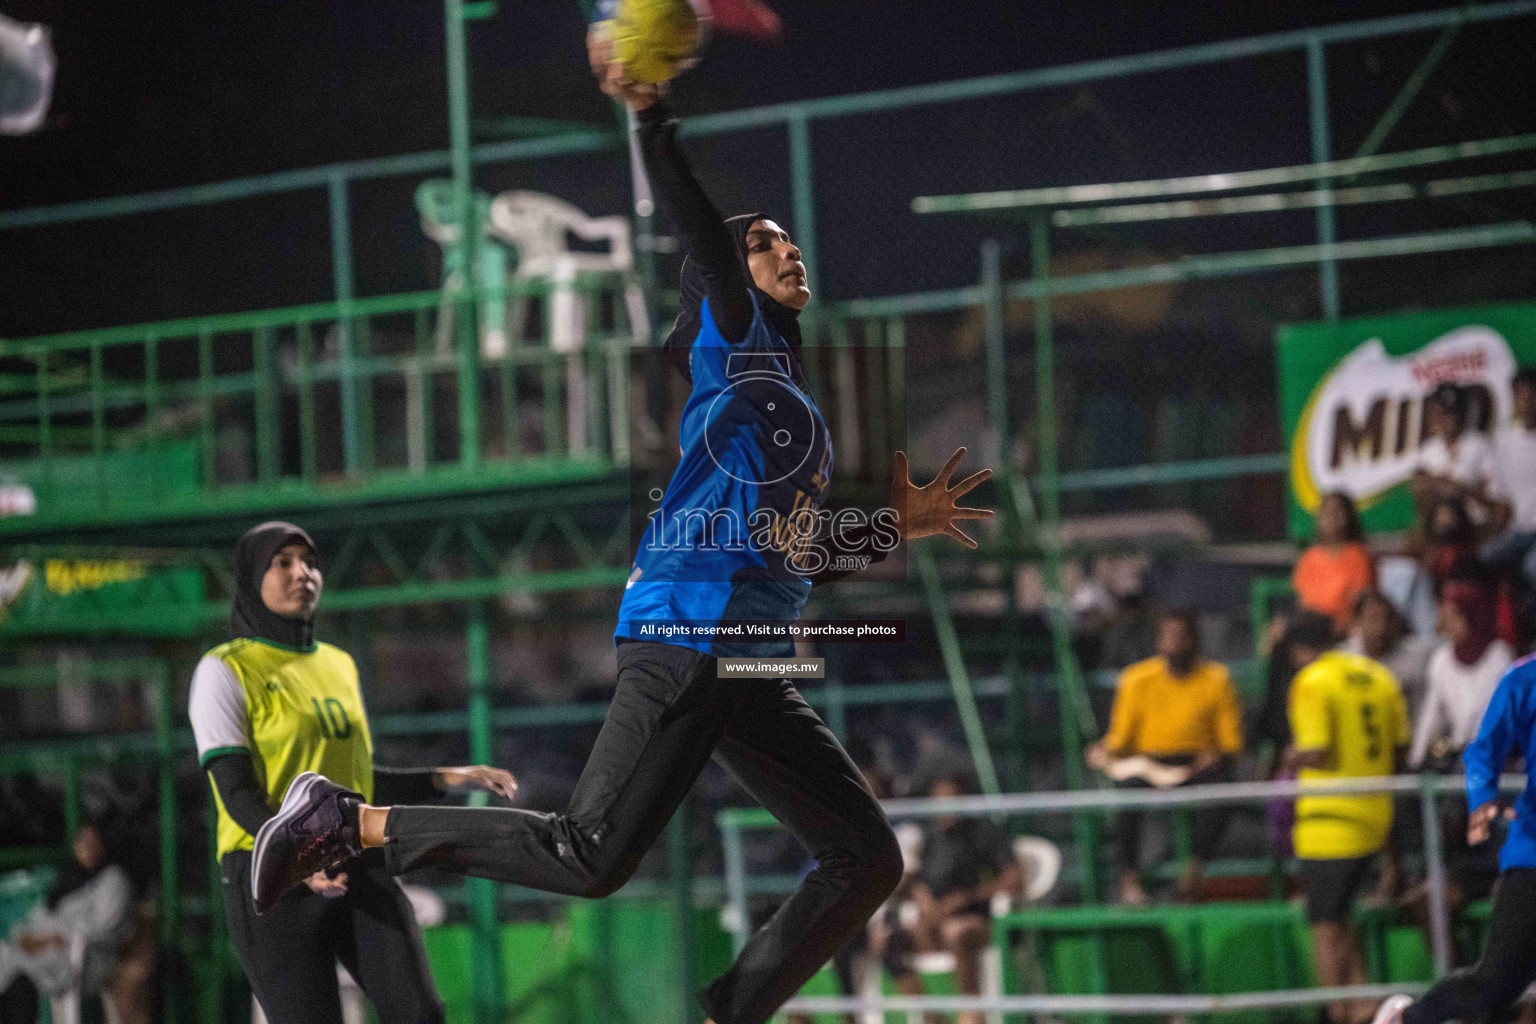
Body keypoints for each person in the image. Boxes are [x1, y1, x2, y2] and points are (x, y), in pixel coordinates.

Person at [248, 47, 995, 1024]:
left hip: (744, 657)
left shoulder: (784, 401)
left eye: (787, 240)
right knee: (587, 856)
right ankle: (347, 819)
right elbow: (698, 229)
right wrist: (652, 120)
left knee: (868, 856)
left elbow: (791, 547)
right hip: (688, 635)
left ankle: (729, 1010)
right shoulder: (737, 346)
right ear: (734, 272)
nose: (788, 250)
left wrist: (904, 519)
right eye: (768, 243)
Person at [190, 522, 517, 1024]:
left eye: (310, 561)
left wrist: (451, 776)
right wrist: (297, 856)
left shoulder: (339, 664)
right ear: (253, 577)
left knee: (420, 1012)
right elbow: (235, 793)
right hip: (270, 874)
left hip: (354, 856)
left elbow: (357, 784)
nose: (303, 573)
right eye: (283, 563)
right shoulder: (224, 670)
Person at [1370, 650, 1536, 1024]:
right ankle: (1406, 1019)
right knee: (1494, 985)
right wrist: (1483, 804)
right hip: (1532, 855)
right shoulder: (1524, 679)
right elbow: (1482, 753)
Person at [1284, 611, 1410, 1024]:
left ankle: (1336, 1013)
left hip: (1330, 823)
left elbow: (1318, 749)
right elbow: (1400, 751)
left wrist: (1291, 755)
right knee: (1341, 918)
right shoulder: (1378, 676)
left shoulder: (1312, 681)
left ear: (1299, 649)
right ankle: (1362, 1010)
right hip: (1376, 817)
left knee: (1325, 925)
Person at [1087, 608, 1243, 906]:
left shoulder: (1216, 679)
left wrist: (1217, 756)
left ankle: (1193, 873)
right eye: (1168, 637)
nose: (1174, 644)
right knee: (1126, 795)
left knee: (1223, 792)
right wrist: (1102, 751)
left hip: (1198, 765)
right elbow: (1120, 738)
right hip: (1149, 764)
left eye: (1181, 637)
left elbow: (1231, 741)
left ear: (1194, 641)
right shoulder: (1137, 679)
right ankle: (1129, 878)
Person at [896, 772, 1022, 1024]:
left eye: (950, 800)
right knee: (889, 940)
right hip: (935, 922)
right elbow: (916, 880)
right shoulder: (930, 837)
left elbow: (1015, 879)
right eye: (938, 800)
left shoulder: (984, 832)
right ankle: (930, 1015)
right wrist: (923, 899)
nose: (945, 808)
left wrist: (965, 898)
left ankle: (972, 1010)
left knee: (956, 932)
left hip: (979, 920)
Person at [0, 823, 132, 1022]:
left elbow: (103, 927)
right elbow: (41, 915)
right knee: (7, 955)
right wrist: (29, 936)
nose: (86, 846)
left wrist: (57, 938)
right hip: (47, 948)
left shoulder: (114, 880)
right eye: (82, 840)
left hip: (87, 958)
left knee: (24, 976)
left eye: (93, 840)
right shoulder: (69, 877)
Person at [1410, 579, 1513, 771]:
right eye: (1445, 616)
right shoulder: (1441, 659)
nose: (1446, 624)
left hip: (1499, 757)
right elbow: (1430, 717)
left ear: (1473, 615)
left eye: (1454, 616)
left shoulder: (1499, 655)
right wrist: (1416, 762)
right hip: (1461, 760)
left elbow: (1503, 714)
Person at [1481, 367, 1536, 593]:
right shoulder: (1505, 442)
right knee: (1480, 561)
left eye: (1530, 396)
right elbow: (1501, 500)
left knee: (1532, 569)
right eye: (1519, 396)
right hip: (1518, 533)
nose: (1526, 403)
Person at [1343, 590, 1434, 720]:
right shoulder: (1343, 660)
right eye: (1373, 619)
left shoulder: (1414, 659)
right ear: (1358, 622)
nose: (1382, 627)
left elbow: (1424, 713)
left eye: (1388, 619)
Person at [1294, 492, 1376, 633]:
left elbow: (1360, 602)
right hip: (1310, 625)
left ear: (1348, 517)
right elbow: (1303, 602)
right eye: (1326, 512)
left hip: (1343, 627)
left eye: (1337, 511)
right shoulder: (1309, 557)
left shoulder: (1359, 556)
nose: (1332, 517)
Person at [1413, 383, 1497, 516]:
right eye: (1438, 413)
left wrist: (1460, 488)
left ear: (1462, 414)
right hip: (1441, 527)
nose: (1442, 420)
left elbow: (1494, 496)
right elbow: (1418, 492)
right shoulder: (1428, 449)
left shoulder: (1479, 444)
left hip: (1475, 524)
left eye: (1448, 413)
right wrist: (1434, 484)